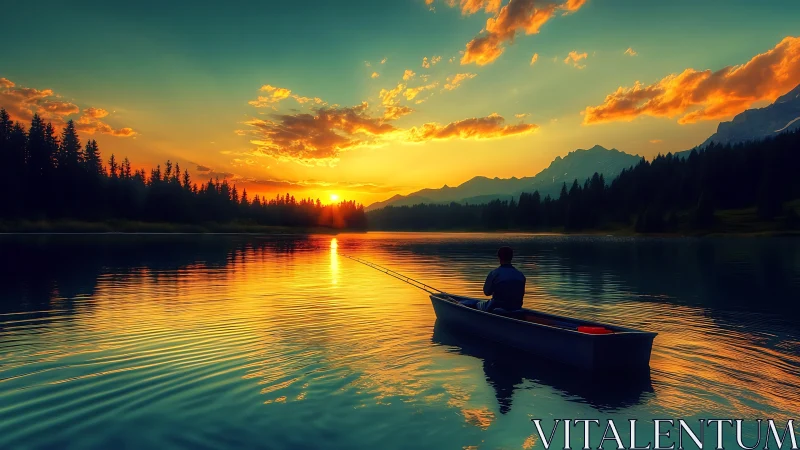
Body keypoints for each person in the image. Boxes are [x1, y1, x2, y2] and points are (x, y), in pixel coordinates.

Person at [462, 246, 526, 312]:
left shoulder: (494, 273)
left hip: (496, 307)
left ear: (499, 257)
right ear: (512, 257)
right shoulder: (521, 275)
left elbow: (487, 292)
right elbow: (521, 293)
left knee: (471, 303)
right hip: (516, 308)